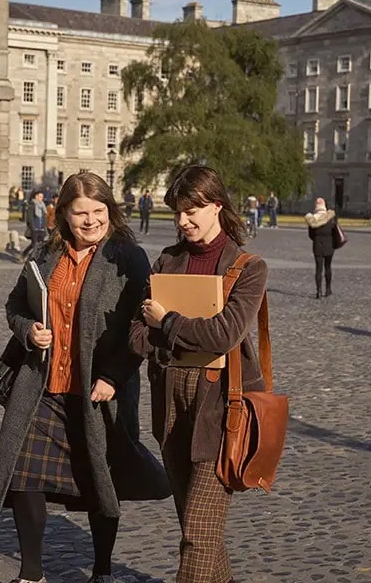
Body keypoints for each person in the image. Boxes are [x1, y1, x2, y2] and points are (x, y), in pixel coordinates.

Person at [0, 172, 171, 583]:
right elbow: (16, 304)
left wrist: (114, 376)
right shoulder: (44, 254)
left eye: (98, 212)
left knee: (99, 481)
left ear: (111, 211)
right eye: (80, 213)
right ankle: (31, 574)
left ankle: (101, 571)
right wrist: (28, 330)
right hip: (42, 387)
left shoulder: (127, 257)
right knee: (23, 475)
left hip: (99, 391)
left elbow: (139, 331)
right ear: (63, 214)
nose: (91, 221)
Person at [129, 165, 269, 583]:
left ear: (218, 207)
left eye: (193, 211)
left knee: (197, 535)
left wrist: (168, 323)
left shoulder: (248, 268)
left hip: (223, 409)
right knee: (200, 529)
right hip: (171, 403)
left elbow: (223, 334)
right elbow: (136, 337)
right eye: (177, 213)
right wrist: (176, 334)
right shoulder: (167, 261)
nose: (182, 221)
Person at [305, 197, 338, 298]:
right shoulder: (331, 217)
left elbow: (311, 235)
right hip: (329, 244)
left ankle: (318, 290)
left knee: (318, 269)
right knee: (328, 267)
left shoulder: (312, 220)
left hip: (317, 245)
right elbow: (335, 232)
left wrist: (317, 239)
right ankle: (328, 289)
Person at [21, 191, 47, 258]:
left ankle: (35, 257)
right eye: (40, 196)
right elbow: (30, 218)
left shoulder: (43, 206)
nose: (42, 198)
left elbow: (44, 217)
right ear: (36, 196)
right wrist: (33, 227)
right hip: (35, 228)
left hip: (41, 228)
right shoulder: (32, 205)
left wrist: (44, 227)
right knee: (33, 244)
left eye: (42, 197)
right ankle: (23, 255)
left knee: (41, 245)